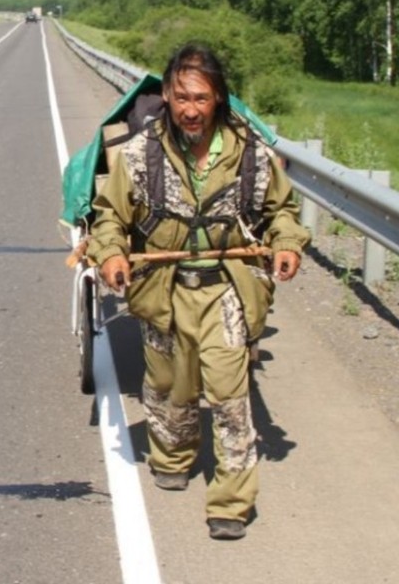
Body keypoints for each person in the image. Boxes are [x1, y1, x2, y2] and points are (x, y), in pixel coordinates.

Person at [86, 42, 310, 541]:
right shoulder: (140, 154)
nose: (191, 110)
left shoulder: (249, 153)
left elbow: (282, 212)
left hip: (227, 287)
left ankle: (231, 502)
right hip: (162, 287)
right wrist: (113, 253)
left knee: (229, 396)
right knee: (171, 385)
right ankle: (172, 456)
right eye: (183, 97)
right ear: (167, 95)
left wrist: (287, 243)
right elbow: (110, 216)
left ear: (218, 99)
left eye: (202, 99)